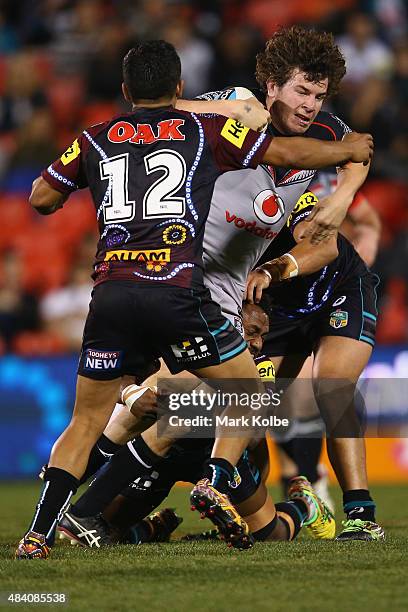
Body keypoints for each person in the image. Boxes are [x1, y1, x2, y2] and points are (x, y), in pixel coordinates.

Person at [16, 39, 370, 559]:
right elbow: (286, 145)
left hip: (142, 291)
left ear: (124, 91)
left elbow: (42, 197)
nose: (311, 104)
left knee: (147, 416)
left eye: (319, 95)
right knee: (199, 407)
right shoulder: (214, 122)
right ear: (269, 86)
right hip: (183, 292)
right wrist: (340, 150)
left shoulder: (101, 136)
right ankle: (197, 493)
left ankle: (59, 526)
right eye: (301, 91)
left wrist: (336, 202)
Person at [58, 301, 334, 547]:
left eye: (263, 335)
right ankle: (155, 527)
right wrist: (65, 477)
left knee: (269, 535)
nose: (258, 344)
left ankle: (304, 505)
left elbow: (253, 436)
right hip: (161, 458)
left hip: (215, 457)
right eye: (252, 332)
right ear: (231, 324)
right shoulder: (178, 351)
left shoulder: (258, 368)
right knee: (101, 535)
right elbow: (123, 410)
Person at [246, 187, 385, 541]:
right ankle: (252, 516)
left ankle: (360, 514)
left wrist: (272, 270)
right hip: (280, 308)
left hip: (340, 290)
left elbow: (322, 244)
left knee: (333, 388)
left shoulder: (297, 194)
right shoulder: (232, 206)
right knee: (248, 405)